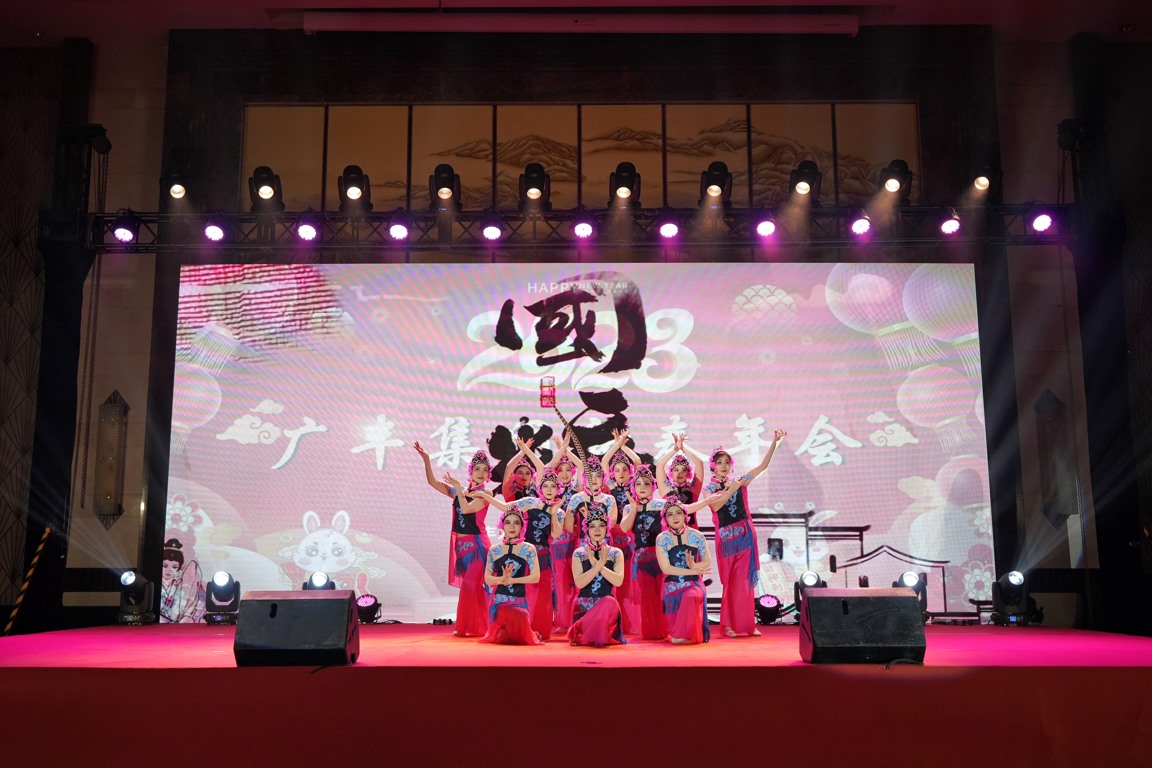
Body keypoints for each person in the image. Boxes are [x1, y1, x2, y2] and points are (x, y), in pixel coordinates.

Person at [704, 429, 787, 638]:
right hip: (726, 539)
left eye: (727, 462)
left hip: (745, 535)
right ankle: (728, 626)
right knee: (729, 582)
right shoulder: (709, 488)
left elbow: (762, 467)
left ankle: (747, 625)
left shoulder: (740, 480)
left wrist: (774, 443)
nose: (724, 466)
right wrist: (732, 488)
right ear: (713, 466)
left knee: (745, 581)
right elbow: (716, 506)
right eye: (719, 463)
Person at [471, 468, 565, 640]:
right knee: (527, 593)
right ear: (540, 488)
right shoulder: (530, 502)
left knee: (543, 594)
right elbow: (505, 507)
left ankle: (541, 631)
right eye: (545, 486)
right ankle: (525, 629)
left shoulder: (559, 512)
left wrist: (552, 512)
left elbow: (556, 534)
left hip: (543, 554)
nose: (549, 490)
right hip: (524, 553)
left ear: (558, 489)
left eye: (553, 486)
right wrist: (485, 496)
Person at [414, 443, 491, 637]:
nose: (481, 473)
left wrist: (457, 488)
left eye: (485, 470)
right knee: (470, 586)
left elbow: (467, 509)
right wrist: (427, 460)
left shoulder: (486, 494)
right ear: (471, 471)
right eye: (477, 469)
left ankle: (469, 627)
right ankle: (478, 626)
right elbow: (433, 482)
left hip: (477, 546)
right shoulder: (459, 491)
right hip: (461, 546)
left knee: (471, 584)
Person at [655, 497, 715, 645]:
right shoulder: (662, 539)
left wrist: (694, 565)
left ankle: (685, 636)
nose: (675, 517)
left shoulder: (697, 536)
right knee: (673, 631)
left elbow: (707, 561)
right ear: (665, 519)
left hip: (693, 584)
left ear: (685, 515)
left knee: (691, 596)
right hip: (672, 587)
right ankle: (681, 634)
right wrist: (693, 570)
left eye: (678, 513)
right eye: (670, 514)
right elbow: (666, 569)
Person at [479, 507, 543, 645]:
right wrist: (502, 579)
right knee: (502, 637)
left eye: (516, 523)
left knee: (519, 623)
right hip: (499, 602)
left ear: (522, 526)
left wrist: (512, 580)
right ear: (502, 526)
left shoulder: (528, 548)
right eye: (508, 523)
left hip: (519, 600)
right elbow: (487, 578)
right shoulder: (494, 550)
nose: (512, 527)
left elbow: (535, 577)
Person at [567, 508, 625, 647]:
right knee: (606, 604)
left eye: (601, 526)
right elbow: (580, 583)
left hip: (607, 607)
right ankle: (582, 631)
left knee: (609, 601)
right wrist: (596, 566)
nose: (597, 530)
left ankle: (588, 635)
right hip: (584, 606)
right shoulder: (579, 553)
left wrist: (599, 566)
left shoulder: (616, 553)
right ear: (587, 530)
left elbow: (618, 581)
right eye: (592, 526)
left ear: (607, 528)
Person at [655, 433, 705, 527]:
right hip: (669, 532)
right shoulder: (666, 489)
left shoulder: (693, 489)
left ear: (688, 473)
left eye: (683, 470)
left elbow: (699, 462)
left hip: (691, 530)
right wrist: (675, 449)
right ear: (671, 473)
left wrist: (682, 447)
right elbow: (660, 465)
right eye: (676, 470)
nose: (680, 473)